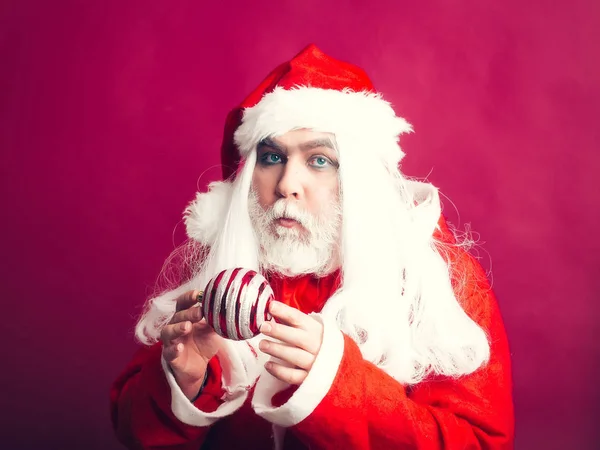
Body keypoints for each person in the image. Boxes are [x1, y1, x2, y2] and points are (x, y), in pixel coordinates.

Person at [110, 44, 514, 449]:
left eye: (319, 160)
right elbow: (134, 433)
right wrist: (185, 382)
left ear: (359, 178)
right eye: (271, 157)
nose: (286, 184)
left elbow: (480, 442)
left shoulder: (436, 278)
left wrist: (337, 384)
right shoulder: (216, 275)